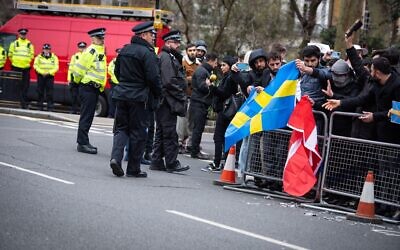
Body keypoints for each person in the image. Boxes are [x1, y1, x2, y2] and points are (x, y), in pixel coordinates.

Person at [109, 21, 162, 178]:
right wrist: (158, 93)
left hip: (122, 95)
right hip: (139, 98)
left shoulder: (124, 50)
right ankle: (133, 169)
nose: (153, 37)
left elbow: (117, 73)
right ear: (143, 35)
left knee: (121, 129)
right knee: (138, 133)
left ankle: (116, 159)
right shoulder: (147, 53)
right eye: (151, 35)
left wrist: (126, 84)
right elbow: (153, 78)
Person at [323, 56, 400, 144]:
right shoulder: (376, 83)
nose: (370, 74)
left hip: (392, 135)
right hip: (378, 132)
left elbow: (397, 114)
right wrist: (340, 102)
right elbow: (362, 99)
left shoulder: (397, 86)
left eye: (371, 71)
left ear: (377, 72)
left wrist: (374, 116)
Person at [150, 30, 190, 173]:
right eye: (175, 42)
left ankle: (156, 161)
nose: (178, 45)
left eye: (178, 42)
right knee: (169, 133)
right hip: (167, 101)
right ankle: (171, 163)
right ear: (168, 42)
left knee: (161, 132)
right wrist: (181, 95)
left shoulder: (167, 56)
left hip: (164, 101)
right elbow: (169, 81)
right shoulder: (167, 57)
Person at [72, 28, 107, 154]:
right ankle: (82, 143)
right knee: (86, 116)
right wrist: (76, 83)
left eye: (103, 38)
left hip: (94, 89)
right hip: (88, 87)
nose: (102, 40)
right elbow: (79, 69)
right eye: (99, 38)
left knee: (89, 116)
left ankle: (84, 141)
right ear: (93, 39)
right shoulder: (91, 51)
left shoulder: (99, 51)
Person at [206, 55, 238, 171]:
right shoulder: (228, 77)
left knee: (219, 137)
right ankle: (222, 162)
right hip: (225, 110)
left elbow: (224, 93)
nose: (222, 67)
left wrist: (212, 87)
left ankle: (217, 163)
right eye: (221, 65)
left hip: (226, 111)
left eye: (224, 65)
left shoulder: (230, 78)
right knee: (222, 138)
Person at [189, 52, 219, 159]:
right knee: (198, 128)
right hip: (199, 103)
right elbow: (202, 87)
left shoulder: (204, 70)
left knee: (198, 128)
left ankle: (194, 149)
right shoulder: (202, 71)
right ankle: (195, 151)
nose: (216, 65)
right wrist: (209, 86)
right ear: (210, 61)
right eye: (215, 63)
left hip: (200, 103)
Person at [177, 43, 201, 153]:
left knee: (192, 120)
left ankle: (188, 142)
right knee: (182, 119)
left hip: (194, 96)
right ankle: (179, 142)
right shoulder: (182, 62)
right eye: (190, 50)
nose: (192, 52)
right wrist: (190, 79)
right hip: (183, 95)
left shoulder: (199, 65)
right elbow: (178, 78)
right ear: (187, 51)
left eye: (194, 50)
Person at [8, 28, 35, 109]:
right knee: (15, 86)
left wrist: (26, 62)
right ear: (19, 34)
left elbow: (32, 55)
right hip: (15, 68)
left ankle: (23, 103)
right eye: (21, 34)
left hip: (25, 68)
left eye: (24, 34)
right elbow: (10, 54)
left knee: (25, 86)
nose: (23, 35)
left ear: (26, 35)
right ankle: (14, 102)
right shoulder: (14, 43)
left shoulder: (29, 44)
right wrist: (15, 62)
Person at [33, 43, 59, 111]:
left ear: (50, 50)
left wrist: (49, 73)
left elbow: (56, 67)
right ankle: (40, 106)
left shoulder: (54, 57)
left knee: (50, 92)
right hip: (41, 76)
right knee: (40, 91)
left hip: (50, 76)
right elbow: (35, 66)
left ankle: (50, 107)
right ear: (43, 49)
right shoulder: (38, 57)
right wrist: (42, 72)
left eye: (48, 49)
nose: (46, 50)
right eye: (45, 49)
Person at [68, 41, 87, 114]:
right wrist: (69, 78)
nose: (82, 49)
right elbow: (71, 68)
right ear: (78, 48)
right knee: (74, 95)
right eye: (80, 47)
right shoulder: (75, 56)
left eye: (83, 47)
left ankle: (81, 110)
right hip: (74, 78)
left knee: (82, 96)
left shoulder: (87, 56)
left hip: (83, 78)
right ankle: (74, 110)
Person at [107, 48, 120, 118]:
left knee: (118, 101)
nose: (118, 54)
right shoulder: (113, 61)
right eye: (117, 53)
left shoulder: (122, 61)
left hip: (119, 84)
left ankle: (116, 115)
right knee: (111, 100)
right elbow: (109, 69)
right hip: (113, 84)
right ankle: (111, 114)